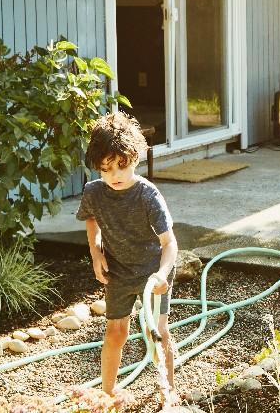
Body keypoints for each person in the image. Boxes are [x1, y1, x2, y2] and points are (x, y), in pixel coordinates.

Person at [78, 111, 181, 407]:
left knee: (156, 332)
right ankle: (106, 397)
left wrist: (162, 274)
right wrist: (96, 252)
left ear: (135, 158)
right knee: (115, 331)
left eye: (122, 166)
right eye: (106, 168)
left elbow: (170, 243)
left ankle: (168, 392)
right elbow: (90, 220)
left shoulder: (148, 195)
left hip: (153, 272)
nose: (115, 176)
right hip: (118, 272)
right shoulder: (94, 192)